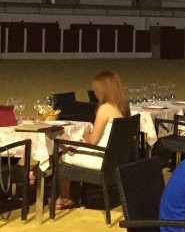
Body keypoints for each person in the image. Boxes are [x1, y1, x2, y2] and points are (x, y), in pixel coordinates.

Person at [55, 71, 130, 210]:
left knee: (62, 155)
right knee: (74, 147)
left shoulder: (105, 108)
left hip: (102, 159)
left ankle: (65, 197)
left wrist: (85, 136)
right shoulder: (123, 107)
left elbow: (94, 140)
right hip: (116, 158)